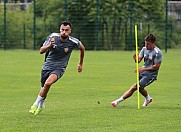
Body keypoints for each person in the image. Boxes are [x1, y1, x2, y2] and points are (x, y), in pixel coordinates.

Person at [29, 21, 85, 115]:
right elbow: (41, 51)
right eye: (62, 30)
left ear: (70, 31)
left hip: (59, 68)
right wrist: (49, 45)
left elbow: (82, 48)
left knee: (48, 83)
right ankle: (41, 105)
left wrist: (80, 63)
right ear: (60, 29)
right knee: (43, 87)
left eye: (66, 30)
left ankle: (35, 104)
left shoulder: (73, 42)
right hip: (47, 66)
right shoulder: (52, 37)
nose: (64, 32)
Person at [111, 34, 162, 107]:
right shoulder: (144, 49)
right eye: (145, 43)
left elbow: (156, 67)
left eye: (148, 44)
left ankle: (117, 102)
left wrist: (143, 69)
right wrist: (135, 59)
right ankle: (148, 99)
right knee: (140, 88)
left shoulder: (157, 53)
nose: (146, 46)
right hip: (142, 72)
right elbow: (138, 61)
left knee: (135, 87)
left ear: (153, 43)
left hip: (151, 75)